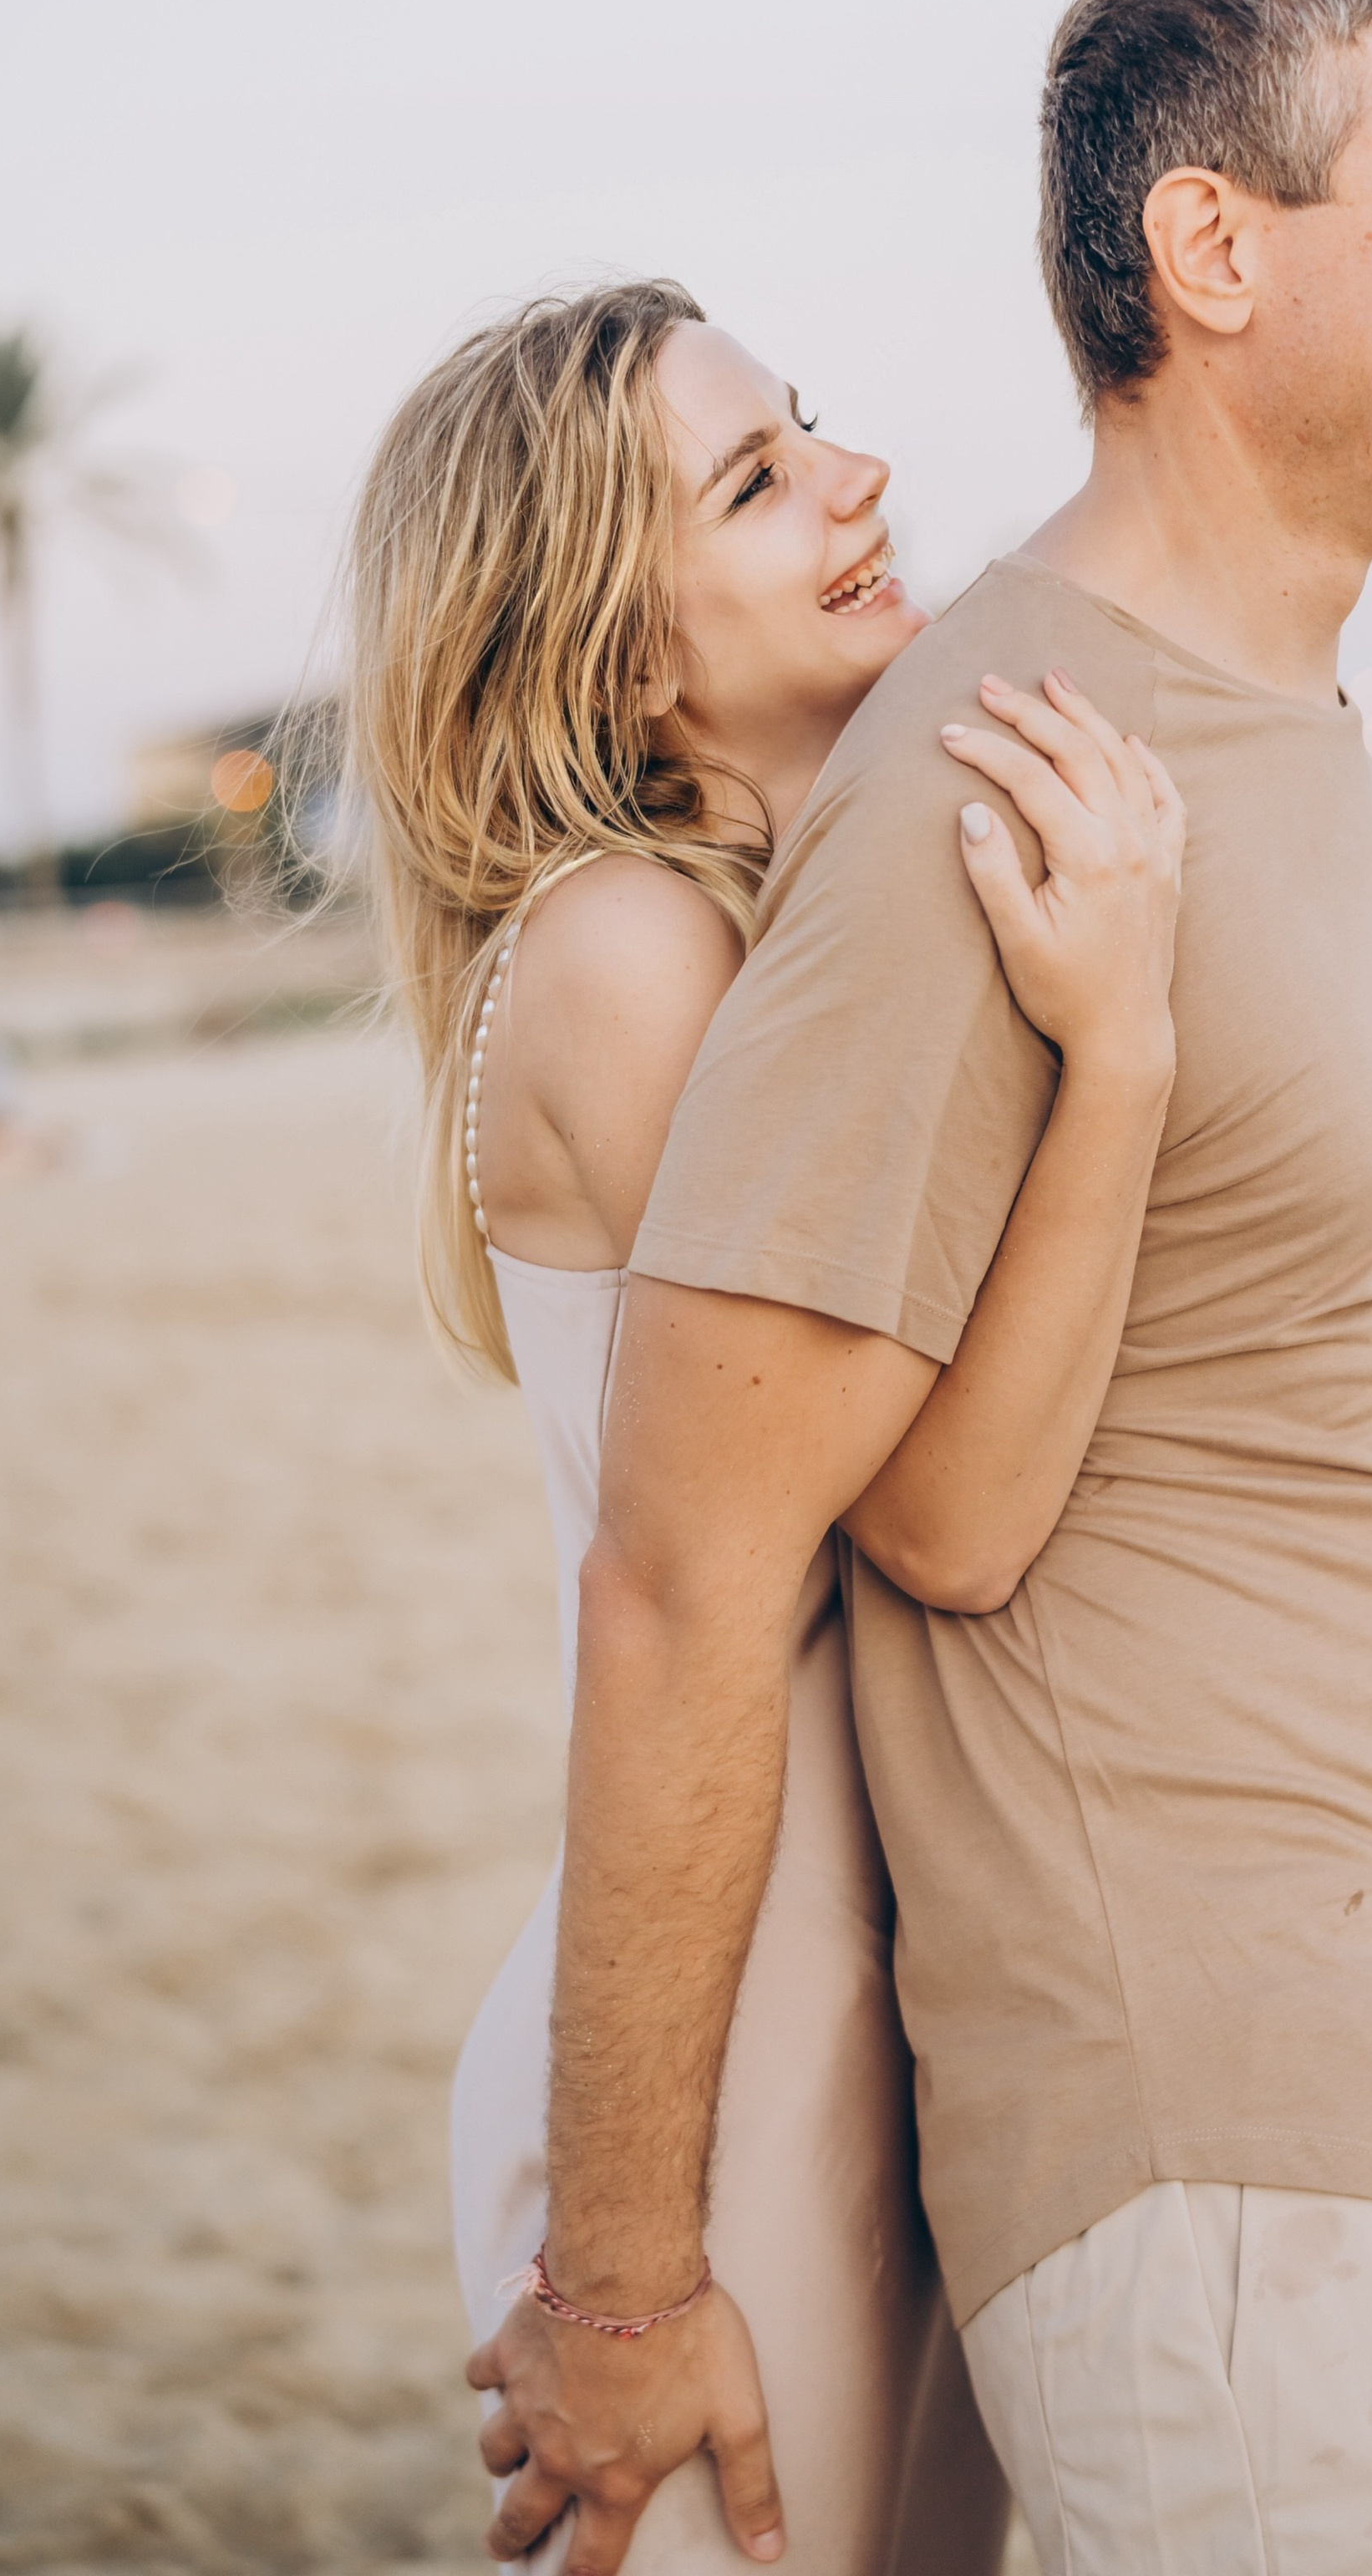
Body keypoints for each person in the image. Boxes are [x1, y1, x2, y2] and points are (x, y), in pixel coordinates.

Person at [471, 0, 1372, 2576]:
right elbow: (706, 1568)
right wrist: (617, 2286)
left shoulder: (1284, 732)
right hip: (1247, 2177)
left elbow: (1331, 1374)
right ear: (1213, 247)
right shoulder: (996, 770)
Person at [338, 281, 1190, 2573]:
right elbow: (950, 1515)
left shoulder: (790, 930)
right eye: (755, 479)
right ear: (618, 662)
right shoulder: (630, 953)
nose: (858, 476)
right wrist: (1120, 1061)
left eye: (808, 425)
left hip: (874, 1997)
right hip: (715, 2055)